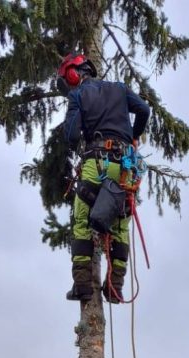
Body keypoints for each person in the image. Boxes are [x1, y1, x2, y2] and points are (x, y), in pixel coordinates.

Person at [57, 53, 150, 303]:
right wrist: (133, 136)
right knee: (120, 224)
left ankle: (83, 286)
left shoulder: (78, 95)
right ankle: (115, 287)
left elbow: (72, 136)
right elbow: (144, 109)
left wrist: (77, 114)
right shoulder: (119, 89)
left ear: (73, 75)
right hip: (124, 166)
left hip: (96, 163)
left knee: (82, 222)